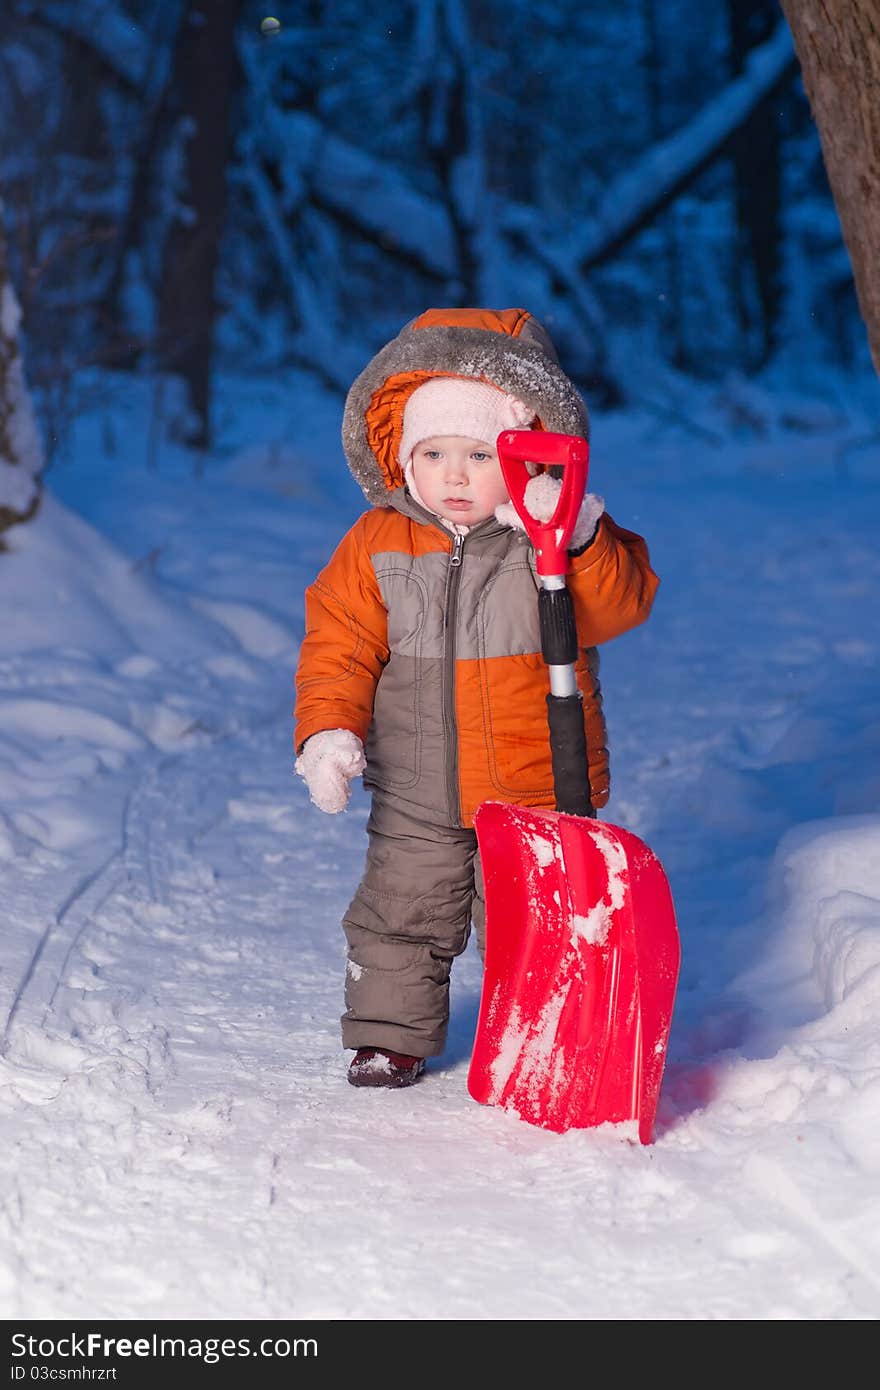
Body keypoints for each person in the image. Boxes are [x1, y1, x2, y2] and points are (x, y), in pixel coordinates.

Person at [294, 307, 658, 1088]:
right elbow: (339, 643)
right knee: (400, 913)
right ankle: (390, 1036)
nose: (454, 476)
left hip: (536, 783)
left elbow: (618, 608)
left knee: (536, 922)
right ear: (403, 458)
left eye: (479, 454)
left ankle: (544, 1034)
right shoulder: (379, 543)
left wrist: (584, 538)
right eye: (433, 454)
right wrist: (327, 730)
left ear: (527, 456)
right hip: (416, 787)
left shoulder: (550, 536)